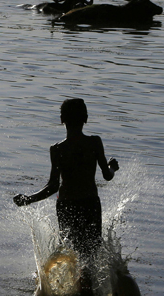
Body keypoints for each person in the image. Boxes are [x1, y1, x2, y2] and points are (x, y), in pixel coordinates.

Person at [13, 98, 119, 286]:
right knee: (91, 250)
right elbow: (107, 176)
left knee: (71, 249)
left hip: (67, 205)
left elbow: (53, 186)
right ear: (86, 118)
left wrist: (29, 199)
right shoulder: (94, 143)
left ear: (62, 119)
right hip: (90, 204)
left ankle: (71, 289)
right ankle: (90, 289)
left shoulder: (57, 149)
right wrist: (112, 167)